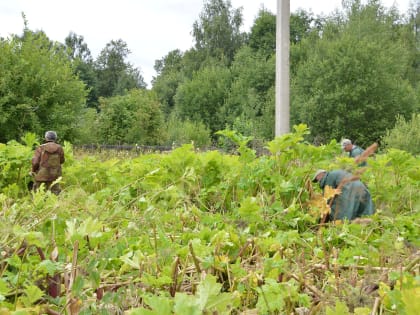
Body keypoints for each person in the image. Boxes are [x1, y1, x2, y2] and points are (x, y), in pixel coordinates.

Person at [31, 131, 65, 195]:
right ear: (55, 138)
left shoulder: (40, 148)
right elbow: (62, 161)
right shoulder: (60, 148)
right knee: (55, 196)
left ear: (46, 138)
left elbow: (35, 163)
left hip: (41, 176)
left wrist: (33, 171)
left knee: (38, 195)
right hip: (55, 176)